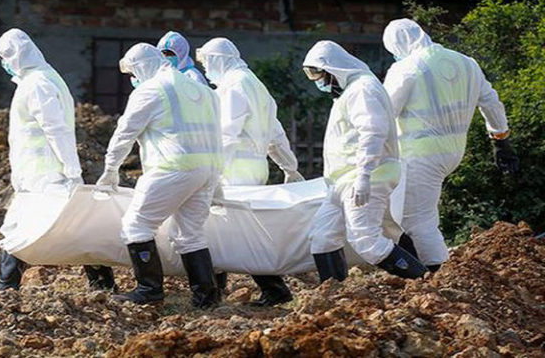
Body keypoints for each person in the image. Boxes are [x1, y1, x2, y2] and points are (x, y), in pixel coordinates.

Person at [382, 19, 518, 272]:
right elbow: (491, 102)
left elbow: (384, 112)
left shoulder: (406, 68)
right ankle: (422, 275)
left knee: (416, 221)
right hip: (453, 152)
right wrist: (501, 141)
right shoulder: (467, 63)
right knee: (412, 215)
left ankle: (437, 275)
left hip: (420, 155)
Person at [96, 43, 223, 308]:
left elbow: (125, 133)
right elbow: (215, 134)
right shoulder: (201, 90)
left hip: (172, 168)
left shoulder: (151, 90)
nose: (133, 79)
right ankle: (206, 296)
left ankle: (149, 289)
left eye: (133, 72)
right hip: (208, 170)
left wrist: (110, 169)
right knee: (190, 233)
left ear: (141, 67)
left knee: (136, 225)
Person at [0, 28, 114, 291]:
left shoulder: (37, 84)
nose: (4, 63)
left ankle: (6, 285)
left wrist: (72, 170)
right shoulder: (44, 78)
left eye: (5, 57)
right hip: (39, 173)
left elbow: (55, 129)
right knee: (52, 225)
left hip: (45, 174)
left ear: (16, 56)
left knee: (53, 226)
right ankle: (101, 283)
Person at [302, 40, 427, 282]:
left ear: (333, 70)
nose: (317, 81)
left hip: (366, 175)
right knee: (322, 236)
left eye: (318, 74)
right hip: (341, 180)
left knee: (366, 241)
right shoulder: (350, 91)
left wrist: (364, 175)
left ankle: (423, 283)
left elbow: (373, 132)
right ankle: (332, 292)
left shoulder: (363, 89)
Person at [196, 37, 303, 306]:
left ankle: (271, 289)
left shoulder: (234, 87)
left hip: (234, 169)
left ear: (218, 60)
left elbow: (227, 134)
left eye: (207, 62)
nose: (206, 69)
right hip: (255, 167)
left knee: (234, 230)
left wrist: (213, 171)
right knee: (230, 229)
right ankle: (221, 288)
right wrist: (289, 167)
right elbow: (276, 133)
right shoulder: (255, 85)